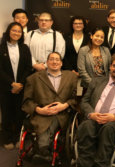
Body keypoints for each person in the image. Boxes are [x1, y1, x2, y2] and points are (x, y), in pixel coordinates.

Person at [76, 53, 115, 167]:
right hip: (94, 119)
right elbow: (84, 101)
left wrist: (114, 117)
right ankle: (84, 164)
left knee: (108, 129)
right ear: (110, 66)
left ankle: (101, 164)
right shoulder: (96, 81)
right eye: (114, 66)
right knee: (86, 126)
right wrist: (91, 114)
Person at [22, 52, 77, 161]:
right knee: (45, 120)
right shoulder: (33, 79)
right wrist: (39, 110)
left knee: (53, 119)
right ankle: (44, 150)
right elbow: (26, 102)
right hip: (40, 114)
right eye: (51, 59)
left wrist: (65, 105)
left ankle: (41, 149)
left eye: (57, 59)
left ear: (61, 63)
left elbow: (77, 99)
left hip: (62, 113)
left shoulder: (71, 77)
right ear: (47, 62)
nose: (54, 62)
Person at [0, 22, 32, 150]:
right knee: (7, 114)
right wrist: (11, 83)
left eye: (19, 31)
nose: (16, 33)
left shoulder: (24, 48)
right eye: (14, 30)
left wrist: (20, 84)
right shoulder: (1, 47)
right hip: (5, 87)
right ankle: (7, 139)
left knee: (19, 114)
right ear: (8, 31)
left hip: (21, 87)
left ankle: (18, 138)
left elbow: (28, 68)